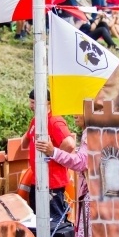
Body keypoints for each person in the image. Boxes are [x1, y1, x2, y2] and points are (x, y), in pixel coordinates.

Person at [35, 114, 91, 237]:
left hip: (69, 187)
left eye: (79, 110)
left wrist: (53, 152)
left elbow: (81, 162)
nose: (75, 115)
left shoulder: (91, 132)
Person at [23, 88, 76, 224]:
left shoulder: (54, 121)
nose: (31, 106)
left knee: (54, 223)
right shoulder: (37, 120)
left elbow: (70, 144)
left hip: (52, 182)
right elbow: (25, 142)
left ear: (46, 103)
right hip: (38, 180)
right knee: (38, 221)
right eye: (30, 102)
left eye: (34, 103)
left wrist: (53, 154)